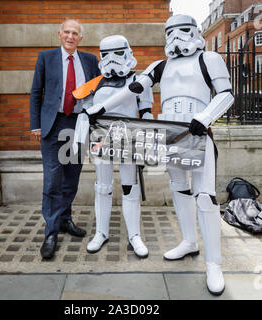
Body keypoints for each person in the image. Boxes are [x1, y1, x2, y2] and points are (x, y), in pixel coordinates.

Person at [83, 15, 234, 295]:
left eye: (183, 31)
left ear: (194, 32)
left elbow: (226, 94)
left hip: (198, 133)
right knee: (179, 189)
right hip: (170, 135)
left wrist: (206, 116)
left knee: (205, 197)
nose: (177, 38)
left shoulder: (209, 59)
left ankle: (214, 263)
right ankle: (189, 241)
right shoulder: (160, 66)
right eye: (171, 33)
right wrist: (98, 110)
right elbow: (133, 88)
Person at [73, 35, 154, 258]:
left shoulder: (139, 82)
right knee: (103, 186)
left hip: (129, 138)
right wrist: (78, 144)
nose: (111, 59)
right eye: (106, 54)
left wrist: (149, 141)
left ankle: (134, 235)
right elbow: (84, 114)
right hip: (101, 139)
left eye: (118, 53)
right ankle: (101, 232)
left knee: (130, 187)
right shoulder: (95, 83)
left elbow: (146, 112)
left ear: (128, 52)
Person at [30, 19, 101, 259]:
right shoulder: (46, 57)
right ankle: (51, 232)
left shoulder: (91, 60)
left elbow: (100, 92)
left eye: (75, 33)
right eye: (67, 32)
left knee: (72, 176)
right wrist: (36, 125)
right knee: (52, 180)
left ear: (81, 37)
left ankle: (64, 219)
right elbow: (36, 92)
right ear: (60, 34)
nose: (71, 36)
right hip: (53, 124)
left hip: (79, 123)